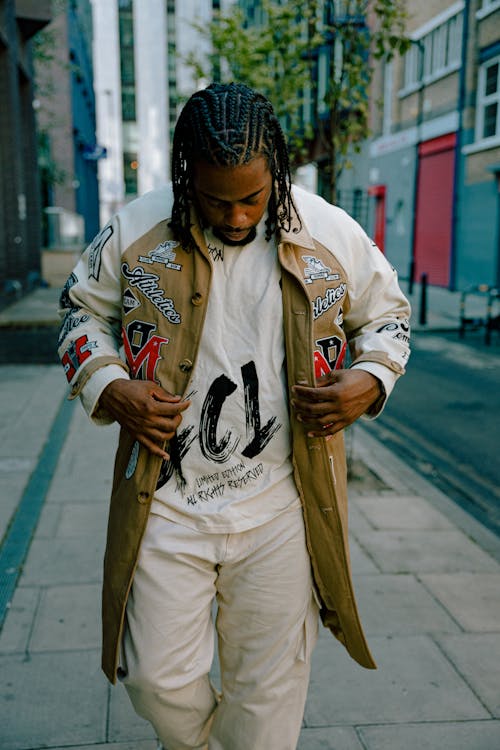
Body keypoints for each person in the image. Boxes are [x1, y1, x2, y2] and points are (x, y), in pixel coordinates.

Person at [58, 82, 410, 750]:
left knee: (269, 694)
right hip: (166, 501)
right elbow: (79, 309)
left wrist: (371, 378)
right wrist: (108, 385)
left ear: (275, 170)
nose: (238, 214)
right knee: (156, 680)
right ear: (184, 171)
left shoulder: (329, 231)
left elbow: (389, 315)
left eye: (252, 195)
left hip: (283, 507)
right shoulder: (137, 229)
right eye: (216, 198)